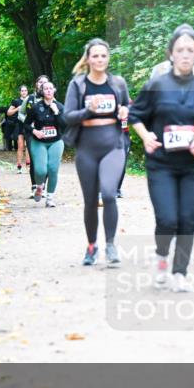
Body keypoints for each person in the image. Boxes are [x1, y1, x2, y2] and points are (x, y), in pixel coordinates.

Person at [129, 25, 194, 292]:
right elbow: (135, 115)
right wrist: (146, 136)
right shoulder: (156, 85)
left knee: (187, 219)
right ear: (171, 54)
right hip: (161, 164)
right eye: (180, 50)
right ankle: (162, 255)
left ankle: (180, 273)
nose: (185, 54)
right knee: (167, 220)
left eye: (190, 50)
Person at [63, 38, 131, 266]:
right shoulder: (78, 84)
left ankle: (111, 245)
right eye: (95, 56)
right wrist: (87, 111)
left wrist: (124, 111)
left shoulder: (117, 83)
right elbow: (68, 116)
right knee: (90, 200)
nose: (100, 59)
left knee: (109, 194)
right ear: (88, 59)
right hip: (87, 148)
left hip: (113, 145)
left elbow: (129, 107)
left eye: (103, 55)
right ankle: (92, 246)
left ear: (108, 58)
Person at [24, 80, 66, 207]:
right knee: (41, 170)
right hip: (39, 142)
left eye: (50, 88)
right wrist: (34, 131)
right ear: (42, 91)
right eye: (46, 88)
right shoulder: (35, 107)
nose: (48, 90)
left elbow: (65, 126)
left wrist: (56, 113)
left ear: (54, 91)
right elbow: (25, 124)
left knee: (53, 169)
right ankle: (39, 185)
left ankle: (50, 198)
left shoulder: (60, 106)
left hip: (56, 142)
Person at [6, 84, 30, 172]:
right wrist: (17, 109)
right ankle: (19, 166)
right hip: (19, 125)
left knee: (29, 146)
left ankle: (28, 166)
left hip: (28, 125)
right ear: (20, 92)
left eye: (25, 90)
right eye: (22, 90)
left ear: (27, 92)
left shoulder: (30, 100)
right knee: (20, 146)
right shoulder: (16, 101)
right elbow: (8, 113)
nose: (24, 92)